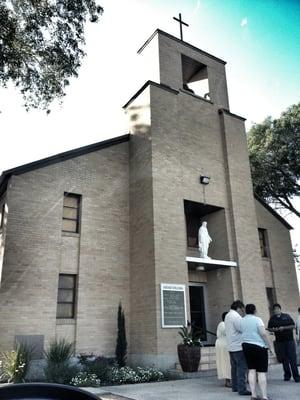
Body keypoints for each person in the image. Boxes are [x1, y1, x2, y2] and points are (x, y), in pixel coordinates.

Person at [241, 304, 275, 400]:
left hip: (246, 346)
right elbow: (263, 334)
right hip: (259, 347)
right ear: (255, 310)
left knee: (251, 370)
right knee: (261, 372)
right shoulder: (257, 320)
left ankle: (253, 395)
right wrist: (271, 347)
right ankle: (264, 396)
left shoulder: (241, 321)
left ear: (245, 311)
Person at [267, 303, 300, 382]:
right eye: (275, 309)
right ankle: (287, 375)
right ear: (273, 311)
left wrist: (284, 328)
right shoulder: (272, 319)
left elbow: (292, 326)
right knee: (284, 359)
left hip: (289, 341)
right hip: (279, 342)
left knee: (292, 358)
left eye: (278, 309)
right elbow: (269, 328)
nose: (276, 310)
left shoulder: (287, 316)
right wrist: (274, 330)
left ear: (280, 309)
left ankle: (296, 376)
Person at [225, 300, 251, 396]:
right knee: (241, 368)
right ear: (239, 308)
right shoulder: (235, 316)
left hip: (231, 346)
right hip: (238, 346)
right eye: (242, 310)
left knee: (234, 368)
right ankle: (242, 389)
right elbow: (242, 328)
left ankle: (235, 387)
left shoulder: (228, 315)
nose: (242, 312)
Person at [215, 312, 231, 387]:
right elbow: (227, 332)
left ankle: (230, 380)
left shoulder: (226, 324)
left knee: (228, 363)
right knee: (225, 363)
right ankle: (227, 381)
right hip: (222, 346)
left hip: (226, 345)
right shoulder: (222, 324)